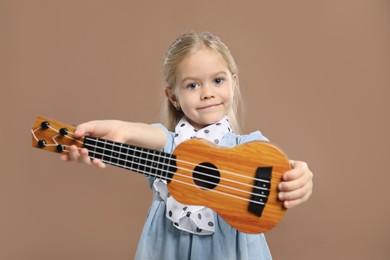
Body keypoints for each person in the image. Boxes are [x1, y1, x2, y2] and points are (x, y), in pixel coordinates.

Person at [61, 31, 313, 259]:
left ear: (233, 83)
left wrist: (299, 176)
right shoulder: (170, 145)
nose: (207, 93)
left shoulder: (245, 146)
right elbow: (152, 134)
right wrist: (121, 128)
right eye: (192, 85)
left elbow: (279, 169)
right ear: (173, 96)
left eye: (218, 80)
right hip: (168, 250)